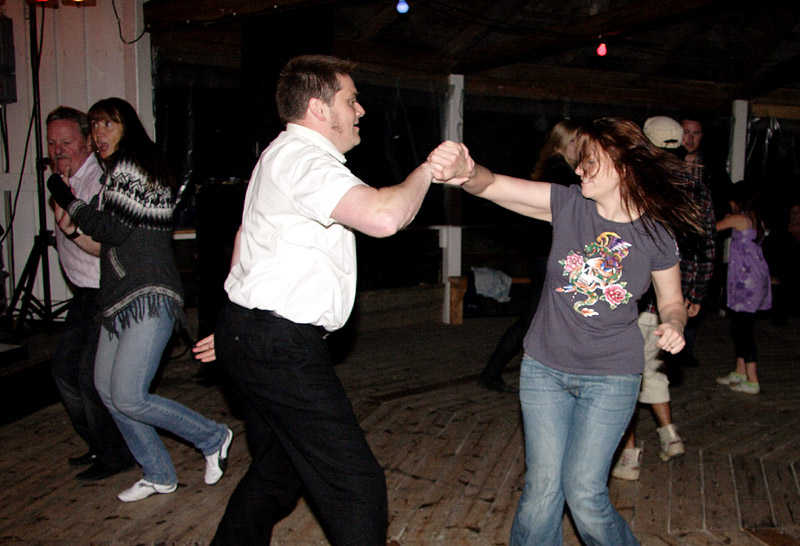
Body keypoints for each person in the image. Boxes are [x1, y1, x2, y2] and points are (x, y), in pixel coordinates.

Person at [191, 55, 470, 545]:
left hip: (255, 333)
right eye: (351, 100)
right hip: (279, 345)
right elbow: (385, 217)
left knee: (279, 471)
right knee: (356, 487)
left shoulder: (280, 155)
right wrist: (427, 171)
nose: (360, 110)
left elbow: (246, 237)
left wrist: (238, 324)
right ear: (319, 109)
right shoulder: (304, 160)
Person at [433, 117, 706, 545]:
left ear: (621, 164)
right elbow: (493, 185)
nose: (578, 169)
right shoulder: (568, 204)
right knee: (542, 489)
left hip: (612, 377)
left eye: (588, 161)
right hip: (544, 369)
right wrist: (467, 172)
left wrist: (673, 323)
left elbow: (672, 302)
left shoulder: (655, 234)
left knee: (584, 493)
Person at [47, 97, 233, 502]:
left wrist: (66, 198)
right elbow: (108, 241)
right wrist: (73, 213)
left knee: (129, 395)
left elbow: (108, 230)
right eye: (95, 126)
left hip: (149, 294)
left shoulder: (134, 167)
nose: (99, 134)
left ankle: (212, 436)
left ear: (127, 127)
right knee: (106, 388)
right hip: (118, 300)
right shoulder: (119, 174)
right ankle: (158, 473)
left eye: (107, 124)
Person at [612, 116, 716, 480]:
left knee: (625, 374)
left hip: (636, 298)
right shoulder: (697, 187)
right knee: (653, 368)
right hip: (671, 301)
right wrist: (694, 294)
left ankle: (629, 455)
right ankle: (670, 436)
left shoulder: (636, 187)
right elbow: (705, 246)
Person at [46, 106, 135, 481]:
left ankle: (117, 454)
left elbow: (108, 244)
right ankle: (99, 443)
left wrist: (70, 226)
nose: (58, 149)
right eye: (52, 143)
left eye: (66, 142)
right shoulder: (61, 179)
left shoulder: (100, 182)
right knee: (64, 372)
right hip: (83, 294)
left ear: (86, 141)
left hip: (105, 292)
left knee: (89, 377)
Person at [478, 120, 581, 393]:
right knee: (536, 320)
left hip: (546, 256)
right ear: (559, 146)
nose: (579, 146)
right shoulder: (561, 174)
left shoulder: (559, 171)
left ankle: (494, 372)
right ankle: (494, 372)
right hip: (551, 258)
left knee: (537, 319)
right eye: (573, 140)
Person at [715, 180, 772, 394]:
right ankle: (740, 372)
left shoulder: (739, 218)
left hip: (746, 285)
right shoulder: (757, 219)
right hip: (754, 280)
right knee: (739, 327)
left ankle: (752, 380)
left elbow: (714, 228)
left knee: (744, 330)